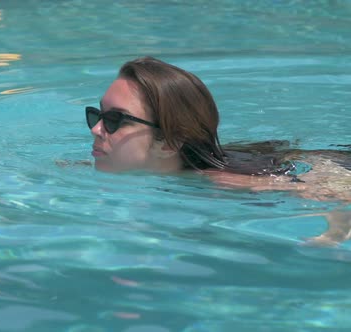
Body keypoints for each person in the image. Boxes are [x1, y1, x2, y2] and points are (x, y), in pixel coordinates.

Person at [86, 56, 351, 244]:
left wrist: (333, 234)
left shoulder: (227, 181)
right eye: (97, 115)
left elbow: (338, 195)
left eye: (114, 120)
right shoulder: (109, 163)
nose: (96, 129)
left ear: (168, 142)